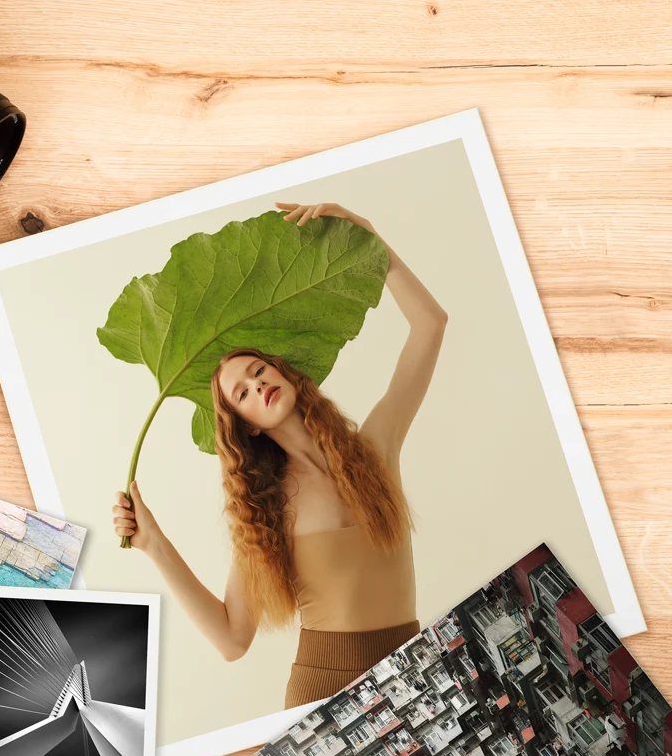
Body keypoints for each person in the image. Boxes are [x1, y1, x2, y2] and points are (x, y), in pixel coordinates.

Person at [111, 202, 447, 707]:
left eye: (258, 371)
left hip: (414, 673)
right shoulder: (265, 509)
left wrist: (371, 239)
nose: (257, 385)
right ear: (246, 424)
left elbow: (430, 325)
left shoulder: (375, 449)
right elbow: (232, 640)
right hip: (324, 691)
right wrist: (153, 543)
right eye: (242, 393)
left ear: (283, 373)